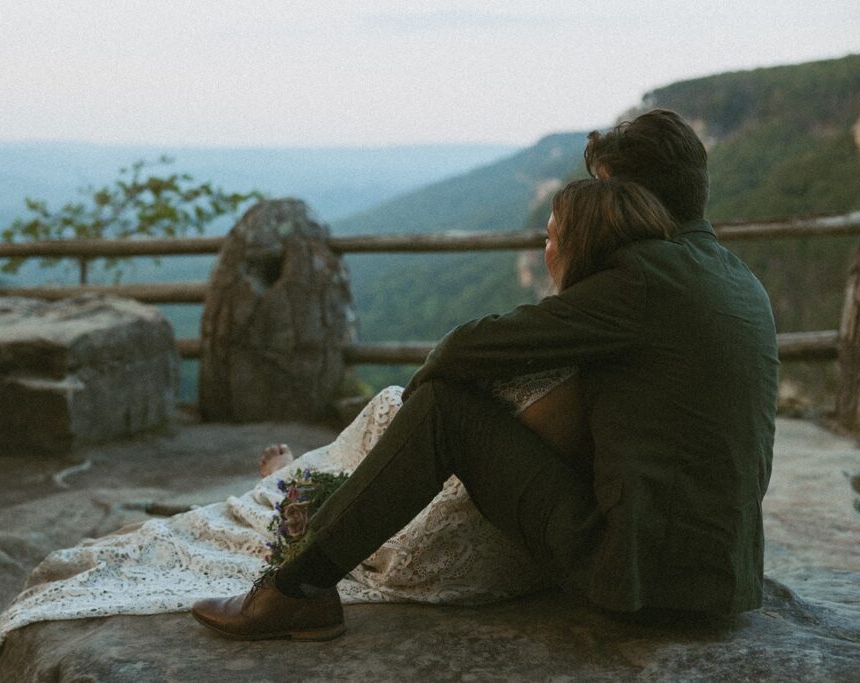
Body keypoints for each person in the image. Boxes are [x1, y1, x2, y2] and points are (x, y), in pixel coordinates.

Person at [190, 109, 779, 641]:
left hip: (640, 579)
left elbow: (467, 346)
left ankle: (296, 592)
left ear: (631, 195)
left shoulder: (646, 279)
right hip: (721, 579)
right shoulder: (732, 277)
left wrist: (417, 411)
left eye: (601, 189)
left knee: (445, 407)